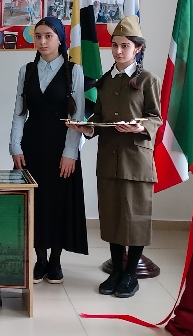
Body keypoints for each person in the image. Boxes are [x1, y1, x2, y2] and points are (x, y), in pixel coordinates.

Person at [68, 15, 161, 299]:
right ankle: (117, 272)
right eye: (115, 45)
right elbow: (100, 118)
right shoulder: (106, 81)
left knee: (134, 218)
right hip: (109, 159)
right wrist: (86, 127)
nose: (118, 51)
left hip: (136, 160)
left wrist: (140, 127)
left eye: (125, 46)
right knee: (111, 216)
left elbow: (156, 118)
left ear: (137, 49)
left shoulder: (147, 80)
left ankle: (130, 274)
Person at [10, 17, 89, 285]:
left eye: (48, 36)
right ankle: (40, 260)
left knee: (58, 202)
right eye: (38, 36)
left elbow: (77, 116)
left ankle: (55, 261)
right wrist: (14, 146)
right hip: (32, 144)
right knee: (35, 202)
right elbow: (19, 113)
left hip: (61, 145)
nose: (42, 42)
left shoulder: (73, 71)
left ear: (60, 39)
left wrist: (71, 152)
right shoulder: (26, 71)